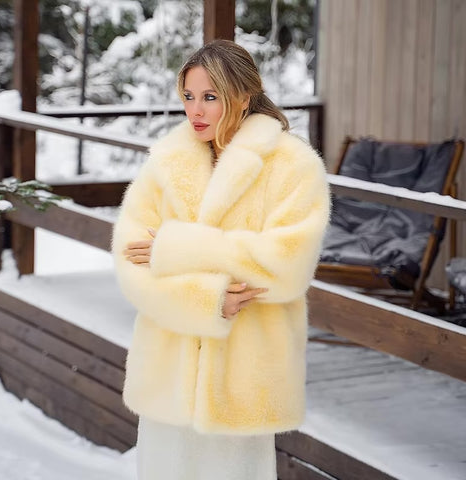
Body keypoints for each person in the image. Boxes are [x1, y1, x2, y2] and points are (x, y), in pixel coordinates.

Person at [112, 39, 330, 480]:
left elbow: (286, 267)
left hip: (242, 378)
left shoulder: (293, 166)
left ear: (244, 97)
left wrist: (177, 249)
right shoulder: (167, 161)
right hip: (167, 374)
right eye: (188, 96)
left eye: (210, 97)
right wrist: (206, 301)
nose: (195, 110)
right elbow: (130, 260)